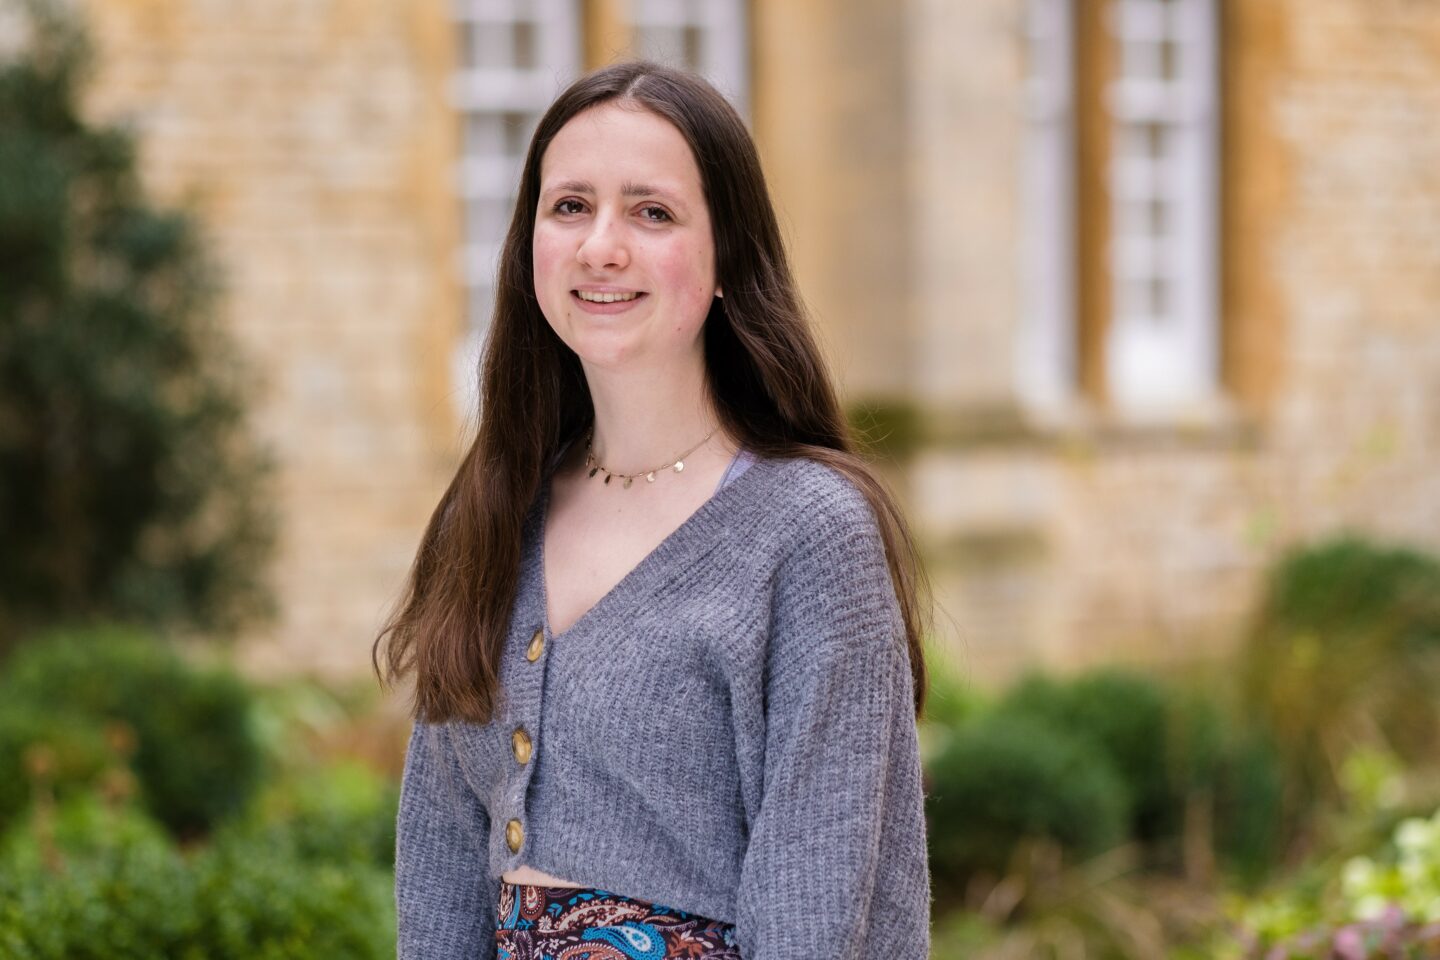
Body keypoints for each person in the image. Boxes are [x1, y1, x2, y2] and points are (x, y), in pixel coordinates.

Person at [375, 59, 932, 960]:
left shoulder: (809, 533)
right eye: (569, 207)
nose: (601, 246)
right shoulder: (489, 510)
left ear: (726, 262)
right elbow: (437, 872)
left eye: (652, 212)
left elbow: (817, 908)